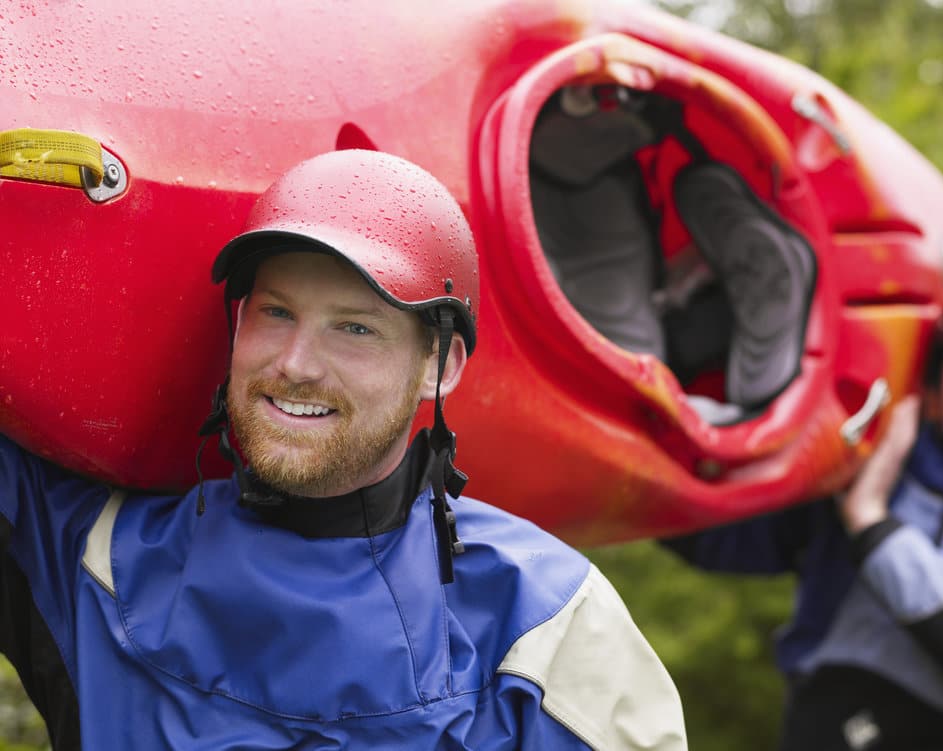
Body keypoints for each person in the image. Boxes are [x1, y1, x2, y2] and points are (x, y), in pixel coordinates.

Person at [0, 149, 686, 750]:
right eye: (275, 312)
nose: (297, 363)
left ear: (439, 365)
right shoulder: (96, 556)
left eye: (354, 328)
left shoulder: (545, 626)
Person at [664, 272, 943, 750]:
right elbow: (720, 537)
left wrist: (873, 526)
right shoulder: (858, 451)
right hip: (822, 726)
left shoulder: (868, 489)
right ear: (937, 373)